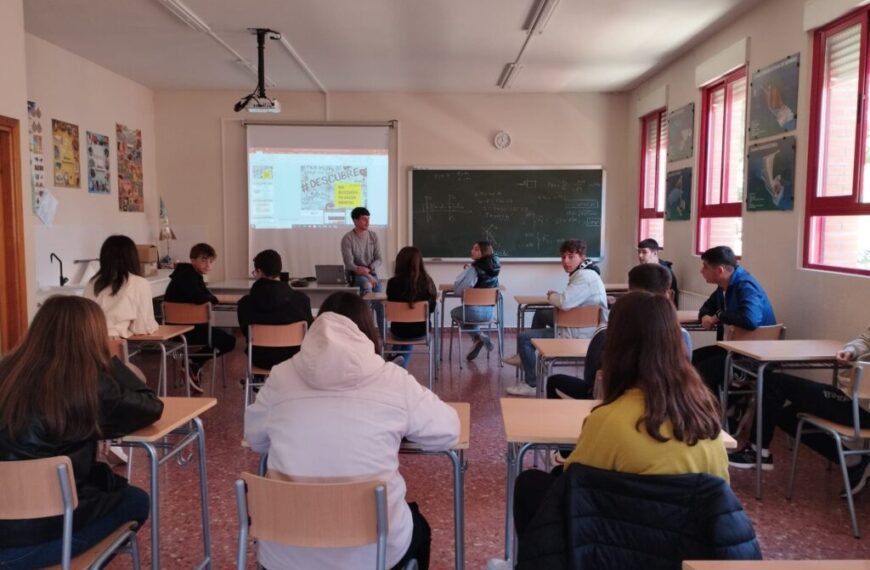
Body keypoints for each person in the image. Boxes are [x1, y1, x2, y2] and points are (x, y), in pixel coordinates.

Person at [244, 292, 459, 570]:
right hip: (375, 555)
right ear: (369, 330)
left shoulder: (280, 376)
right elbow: (449, 431)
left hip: (284, 556)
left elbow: (255, 439)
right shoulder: (392, 378)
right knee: (419, 527)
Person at [507, 292, 728, 555]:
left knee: (530, 485)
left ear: (616, 345)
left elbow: (573, 486)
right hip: (685, 547)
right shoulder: (705, 418)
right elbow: (720, 497)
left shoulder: (609, 420)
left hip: (617, 543)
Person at [0, 296, 164, 570]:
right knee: (136, 500)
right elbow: (151, 406)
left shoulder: (7, 371)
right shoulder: (89, 385)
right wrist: (109, 359)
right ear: (92, 336)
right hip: (42, 540)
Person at [728, 326, 870, 495]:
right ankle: (854, 461)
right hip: (853, 400)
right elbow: (866, 340)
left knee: (774, 382)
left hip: (860, 407)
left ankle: (757, 452)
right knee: (785, 415)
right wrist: (851, 350)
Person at [546, 263, 692, 402]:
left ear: (630, 293)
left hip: (612, 403)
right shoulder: (682, 335)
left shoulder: (606, 334)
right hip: (666, 405)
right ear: (668, 295)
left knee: (554, 381)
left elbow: (590, 378)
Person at [504, 239, 608, 397]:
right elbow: (568, 299)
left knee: (524, 338)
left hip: (578, 333)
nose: (566, 261)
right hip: (579, 326)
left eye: (571, 256)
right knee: (540, 313)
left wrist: (553, 295)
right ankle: (526, 356)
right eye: (563, 257)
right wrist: (557, 297)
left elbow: (564, 302)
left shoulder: (585, 277)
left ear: (581, 256)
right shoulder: (586, 272)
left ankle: (531, 383)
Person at [691, 245, 776, 395]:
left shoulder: (745, 285)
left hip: (752, 357)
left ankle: (715, 412)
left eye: (705, 267)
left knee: (701, 372)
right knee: (689, 360)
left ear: (719, 271)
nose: (701, 271)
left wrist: (719, 316)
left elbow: (751, 320)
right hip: (733, 350)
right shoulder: (723, 287)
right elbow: (707, 307)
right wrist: (705, 316)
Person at [164, 242, 237, 393]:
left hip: (174, 332)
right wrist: (213, 299)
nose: (207, 264)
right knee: (229, 342)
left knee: (221, 338)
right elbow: (200, 297)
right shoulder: (189, 277)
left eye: (210, 261)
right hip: (189, 332)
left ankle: (193, 364)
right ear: (192, 260)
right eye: (203, 260)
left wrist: (210, 297)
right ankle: (194, 362)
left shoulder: (186, 275)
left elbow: (205, 295)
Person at [238, 249, 313, 370]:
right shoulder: (301, 300)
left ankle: (259, 382)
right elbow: (308, 329)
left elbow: (246, 332)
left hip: (261, 359)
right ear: (279, 272)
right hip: (293, 359)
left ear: (260, 272)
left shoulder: (245, 303)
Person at [84, 234, 159, 338]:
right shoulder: (138, 283)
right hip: (113, 345)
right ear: (133, 257)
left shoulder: (92, 283)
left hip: (85, 342)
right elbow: (142, 328)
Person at [386, 246, 437, 369]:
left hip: (397, 331)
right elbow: (431, 309)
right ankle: (399, 361)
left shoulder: (392, 283)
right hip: (421, 331)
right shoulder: (428, 282)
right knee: (411, 332)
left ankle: (397, 360)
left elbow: (391, 305)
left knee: (404, 332)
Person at [451, 240, 501, 361]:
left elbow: (458, 290)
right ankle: (478, 338)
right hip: (489, 313)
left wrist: (466, 273)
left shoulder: (474, 269)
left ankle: (478, 336)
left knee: (456, 313)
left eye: (476, 249)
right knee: (465, 314)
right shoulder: (495, 269)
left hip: (474, 312)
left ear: (483, 252)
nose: (472, 251)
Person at [341, 206, 384, 333]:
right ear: (355, 221)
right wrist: (366, 274)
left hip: (371, 273)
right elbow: (349, 264)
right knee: (367, 286)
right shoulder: (348, 238)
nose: (367, 222)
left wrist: (370, 269)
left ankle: (384, 336)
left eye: (368, 219)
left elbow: (379, 259)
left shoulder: (373, 236)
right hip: (356, 275)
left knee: (381, 303)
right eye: (364, 219)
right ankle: (365, 333)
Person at [636, 237, 679, 306]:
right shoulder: (643, 269)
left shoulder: (664, 272)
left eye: (644, 252)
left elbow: (668, 297)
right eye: (639, 252)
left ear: (655, 253)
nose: (640, 256)